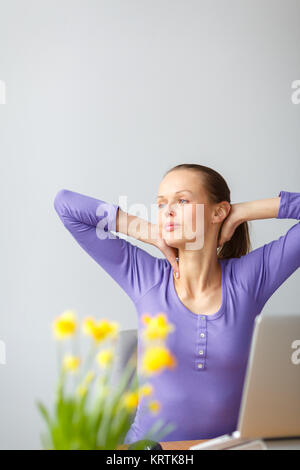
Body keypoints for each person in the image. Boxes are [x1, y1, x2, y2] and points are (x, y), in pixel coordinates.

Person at [53, 163, 300, 443]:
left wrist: (243, 212)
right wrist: (148, 231)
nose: (167, 211)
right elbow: (65, 205)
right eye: (161, 204)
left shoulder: (250, 279)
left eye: (182, 201)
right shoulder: (145, 277)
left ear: (218, 211)